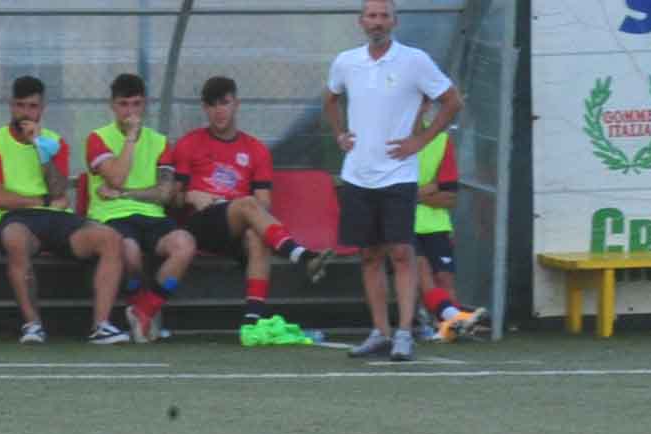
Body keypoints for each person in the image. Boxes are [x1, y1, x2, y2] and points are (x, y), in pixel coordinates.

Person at [323, 0, 461, 363]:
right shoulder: (346, 61)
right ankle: (380, 332)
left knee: (401, 253)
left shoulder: (414, 61)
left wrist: (420, 140)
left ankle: (404, 333)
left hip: (398, 175)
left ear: (395, 22)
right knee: (369, 256)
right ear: (361, 22)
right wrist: (339, 135)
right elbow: (330, 98)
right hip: (357, 175)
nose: (377, 22)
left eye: (384, 16)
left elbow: (451, 101)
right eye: (371, 16)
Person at [164, 77, 326, 344]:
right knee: (248, 206)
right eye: (212, 105)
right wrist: (191, 195)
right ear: (205, 108)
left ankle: (251, 322)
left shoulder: (256, 149)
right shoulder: (189, 143)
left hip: (235, 223)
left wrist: (237, 207)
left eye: (224, 103)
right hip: (199, 225)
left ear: (236, 104)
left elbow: (263, 203)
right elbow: (173, 199)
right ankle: (301, 255)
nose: (219, 111)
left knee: (256, 235)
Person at [0, 78, 126, 347]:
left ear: (42, 108)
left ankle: (101, 326)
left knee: (110, 238)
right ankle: (33, 325)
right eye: (20, 105)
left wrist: (41, 149)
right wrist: (41, 200)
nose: (25, 113)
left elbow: (58, 190)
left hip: (55, 217)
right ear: (11, 106)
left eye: (32, 106)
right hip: (13, 218)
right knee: (15, 239)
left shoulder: (54, 142)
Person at [85, 74, 193, 344]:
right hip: (111, 215)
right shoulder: (97, 138)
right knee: (130, 253)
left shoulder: (159, 142)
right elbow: (116, 177)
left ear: (144, 104)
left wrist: (125, 193)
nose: (130, 112)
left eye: (136, 104)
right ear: (112, 105)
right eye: (123, 104)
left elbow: (165, 193)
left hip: (152, 216)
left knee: (185, 245)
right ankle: (136, 309)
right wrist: (131, 138)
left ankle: (144, 310)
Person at [404, 129, 488, 340]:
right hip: (403, 223)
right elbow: (392, 194)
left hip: (437, 225)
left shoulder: (440, 139)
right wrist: (430, 188)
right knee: (422, 273)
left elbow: (450, 196)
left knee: (445, 278)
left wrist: (411, 195)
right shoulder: (391, 134)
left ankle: (451, 327)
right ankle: (454, 320)